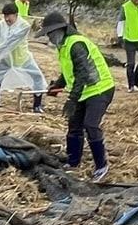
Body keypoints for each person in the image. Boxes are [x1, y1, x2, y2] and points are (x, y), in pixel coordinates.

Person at [39, 11, 115, 180]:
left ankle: (101, 165)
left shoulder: (76, 44)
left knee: (90, 125)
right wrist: (58, 85)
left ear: (59, 31)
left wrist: (72, 99)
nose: (49, 38)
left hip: (100, 89)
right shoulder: (64, 46)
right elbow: (69, 71)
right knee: (74, 125)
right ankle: (73, 162)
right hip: (83, 91)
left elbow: (82, 73)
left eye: (50, 34)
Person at [0, 4, 47, 112]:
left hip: (22, 58)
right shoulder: (2, 24)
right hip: (6, 59)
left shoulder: (24, 26)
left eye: (9, 16)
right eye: (5, 16)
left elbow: (10, 42)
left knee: (38, 78)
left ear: (16, 15)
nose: (6, 19)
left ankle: (37, 106)